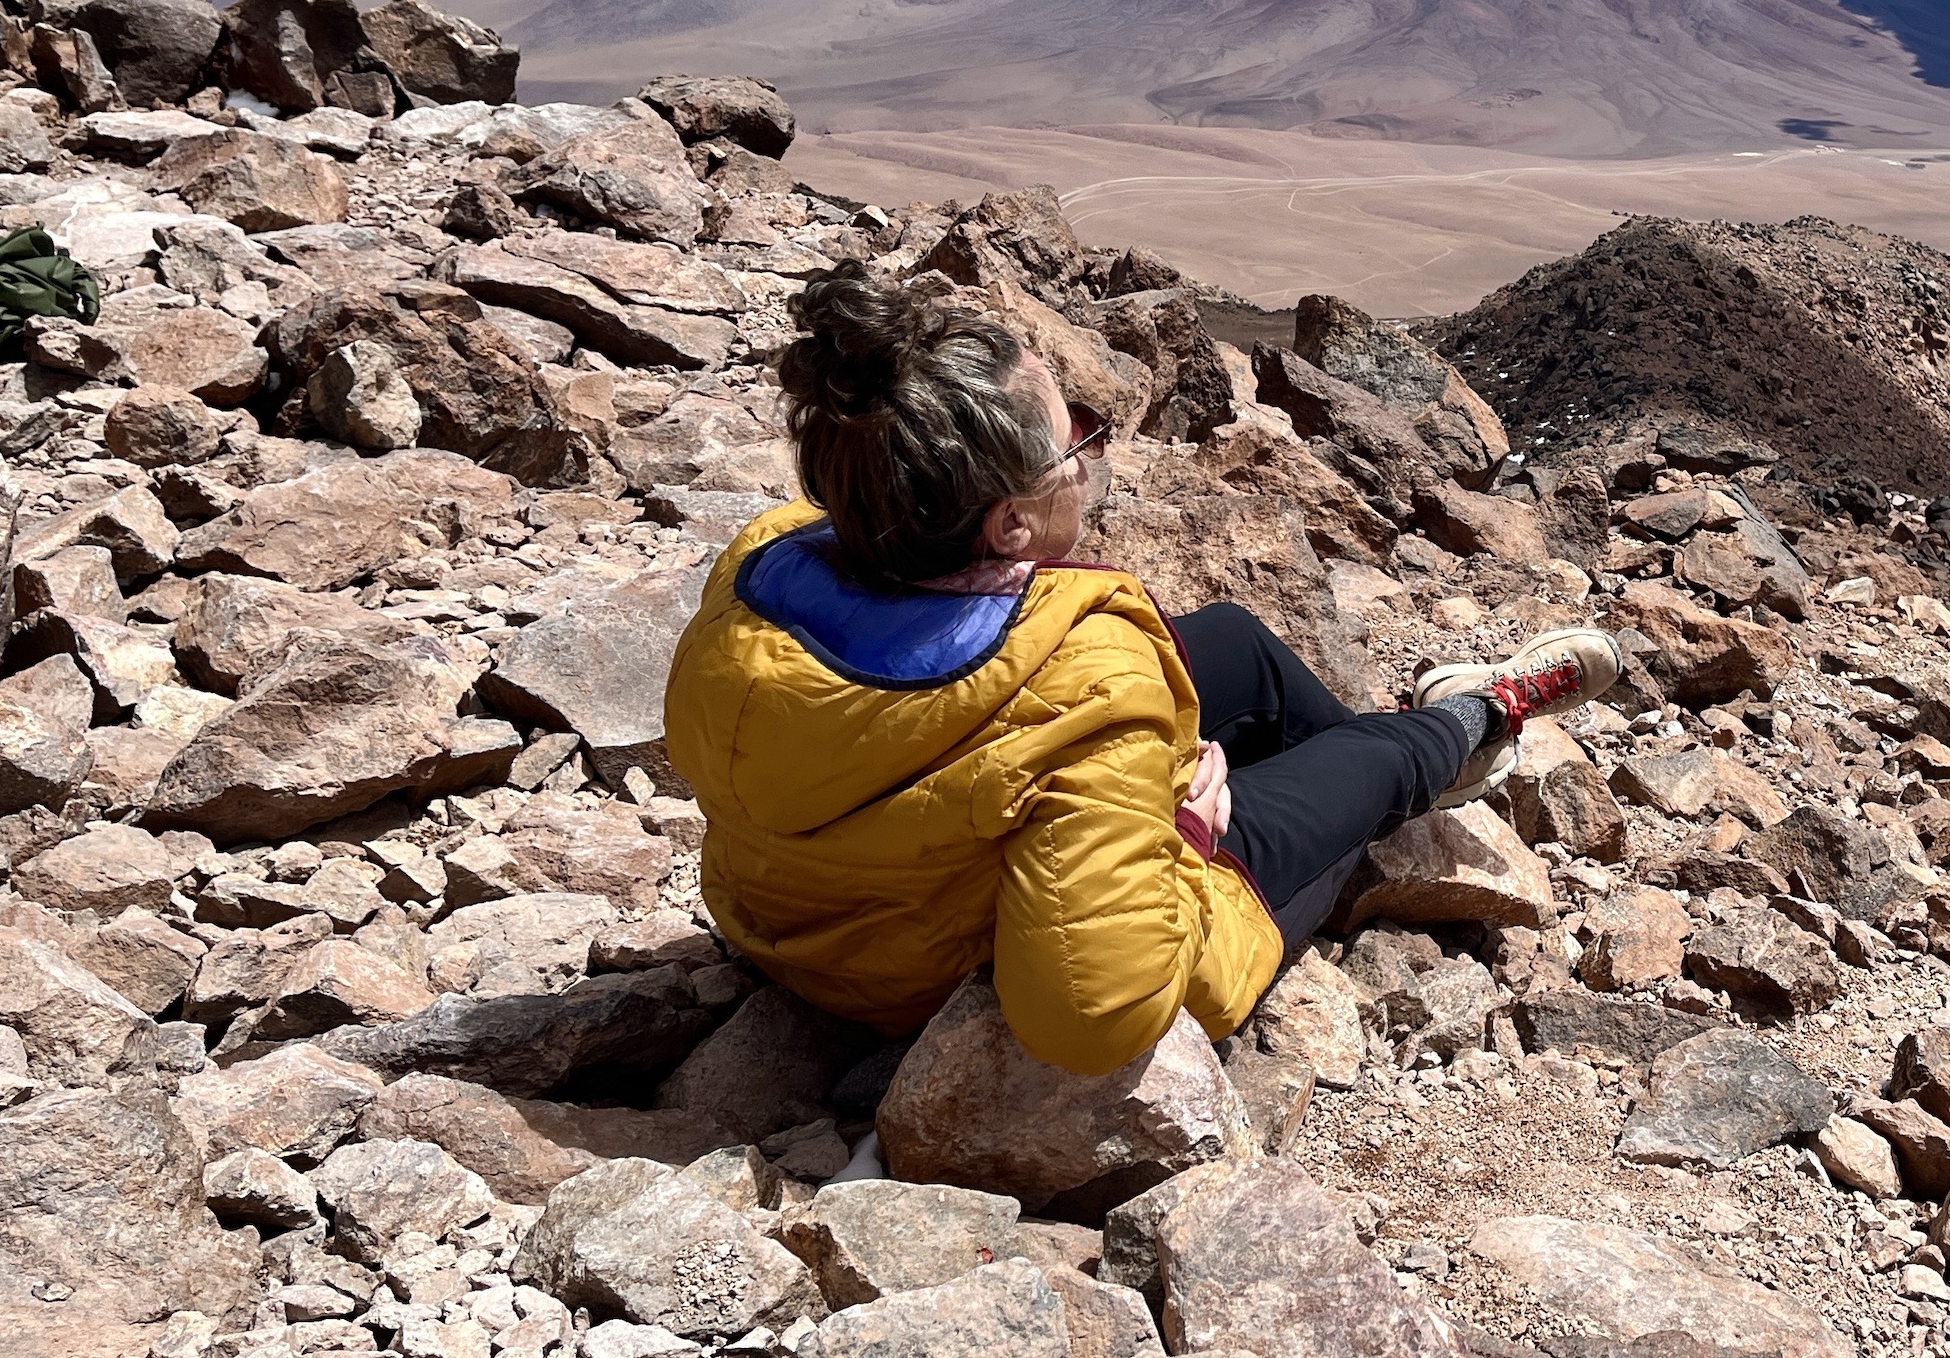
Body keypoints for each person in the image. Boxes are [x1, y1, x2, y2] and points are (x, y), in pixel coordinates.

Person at [661, 263, 1616, 1077]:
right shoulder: (1087, 670)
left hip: (794, 914)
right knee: (1374, 768)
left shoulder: (764, 567)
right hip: (913, 975)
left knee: (1234, 641)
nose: (1089, 446)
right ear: (1009, 525)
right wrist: (1184, 841)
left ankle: (1359, 767)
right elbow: (1090, 1017)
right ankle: (1465, 723)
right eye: (1074, 435)